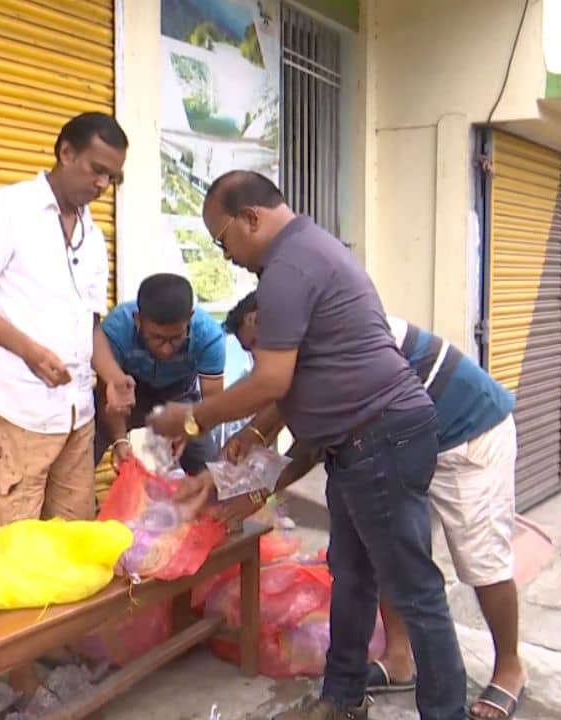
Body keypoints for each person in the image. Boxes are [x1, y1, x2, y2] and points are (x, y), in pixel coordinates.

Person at [147, 171, 467, 720]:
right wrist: (252, 444)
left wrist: (192, 419)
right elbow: (296, 386)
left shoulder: (289, 268)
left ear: (250, 218)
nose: (226, 257)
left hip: (380, 436)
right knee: (352, 571)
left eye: (223, 240)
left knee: (413, 590)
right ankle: (343, 699)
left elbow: (271, 379)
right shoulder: (309, 252)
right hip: (360, 441)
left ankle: (444, 713)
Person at [224, 293, 526, 720]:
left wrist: (257, 491)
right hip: (401, 443)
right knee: (372, 553)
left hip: (469, 433)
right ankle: (397, 660)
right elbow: (286, 397)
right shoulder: (308, 347)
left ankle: (508, 668)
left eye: (260, 346)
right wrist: (253, 436)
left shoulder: (346, 341)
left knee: (476, 564)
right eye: (250, 351)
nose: (260, 361)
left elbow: (310, 442)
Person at [0, 112, 136, 532]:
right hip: (18, 412)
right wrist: (31, 353)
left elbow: (89, 324)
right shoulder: (7, 209)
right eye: (97, 170)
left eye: (112, 177)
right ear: (66, 152)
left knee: (70, 548)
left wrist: (111, 376)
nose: (102, 185)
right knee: (13, 549)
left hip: (77, 416)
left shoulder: (93, 237)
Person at [94, 272, 226, 474]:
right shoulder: (116, 329)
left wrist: (191, 430)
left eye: (175, 338)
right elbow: (108, 395)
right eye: (156, 338)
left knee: (208, 466)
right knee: (86, 447)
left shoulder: (209, 336)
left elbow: (214, 403)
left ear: (190, 318)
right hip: (130, 389)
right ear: (138, 320)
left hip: (180, 394)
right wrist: (120, 440)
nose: (166, 349)